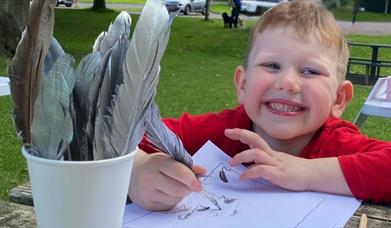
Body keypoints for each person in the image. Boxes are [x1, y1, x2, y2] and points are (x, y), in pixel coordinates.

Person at [128, 0, 391, 211]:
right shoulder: (223, 131)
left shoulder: (337, 144)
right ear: (242, 84)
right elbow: (124, 135)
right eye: (272, 66)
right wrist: (136, 171)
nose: (288, 83)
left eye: (310, 71)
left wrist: (309, 173)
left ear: (339, 99)